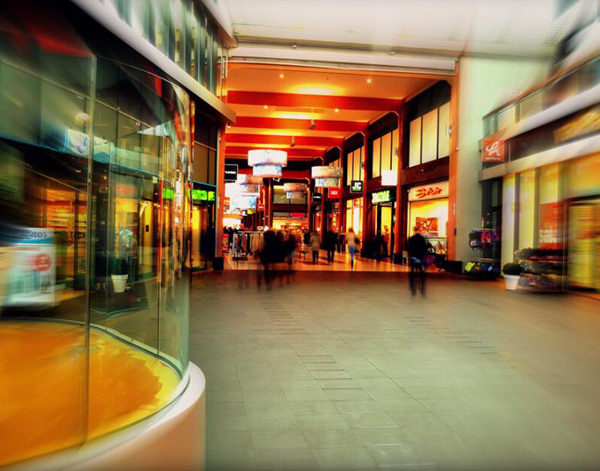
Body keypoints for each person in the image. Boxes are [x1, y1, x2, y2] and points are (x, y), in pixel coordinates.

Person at [407, 226, 428, 295]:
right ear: (419, 230)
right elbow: (425, 248)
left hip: (414, 257)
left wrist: (410, 256)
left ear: (414, 231)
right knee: (421, 270)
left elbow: (409, 248)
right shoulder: (422, 238)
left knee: (412, 271)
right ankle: (422, 286)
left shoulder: (411, 238)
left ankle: (413, 286)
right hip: (420, 257)